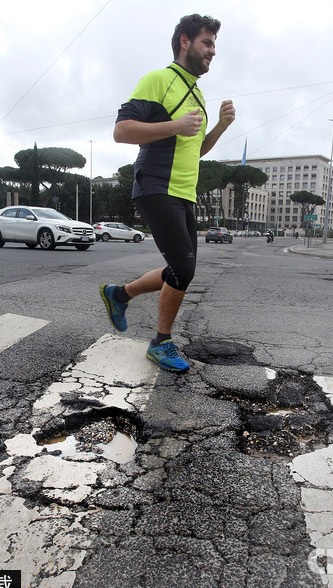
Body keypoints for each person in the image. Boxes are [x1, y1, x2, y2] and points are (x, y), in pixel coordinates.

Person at [100, 14, 235, 373]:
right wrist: (175, 125)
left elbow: (197, 149)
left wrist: (220, 126)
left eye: (214, 45)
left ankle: (119, 294)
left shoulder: (197, 94)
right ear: (185, 41)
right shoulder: (159, 79)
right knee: (183, 269)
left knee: (180, 269)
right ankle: (160, 343)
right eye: (207, 42)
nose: (213, 51)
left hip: (184, 194)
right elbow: (121, 131)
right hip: (156, 186)